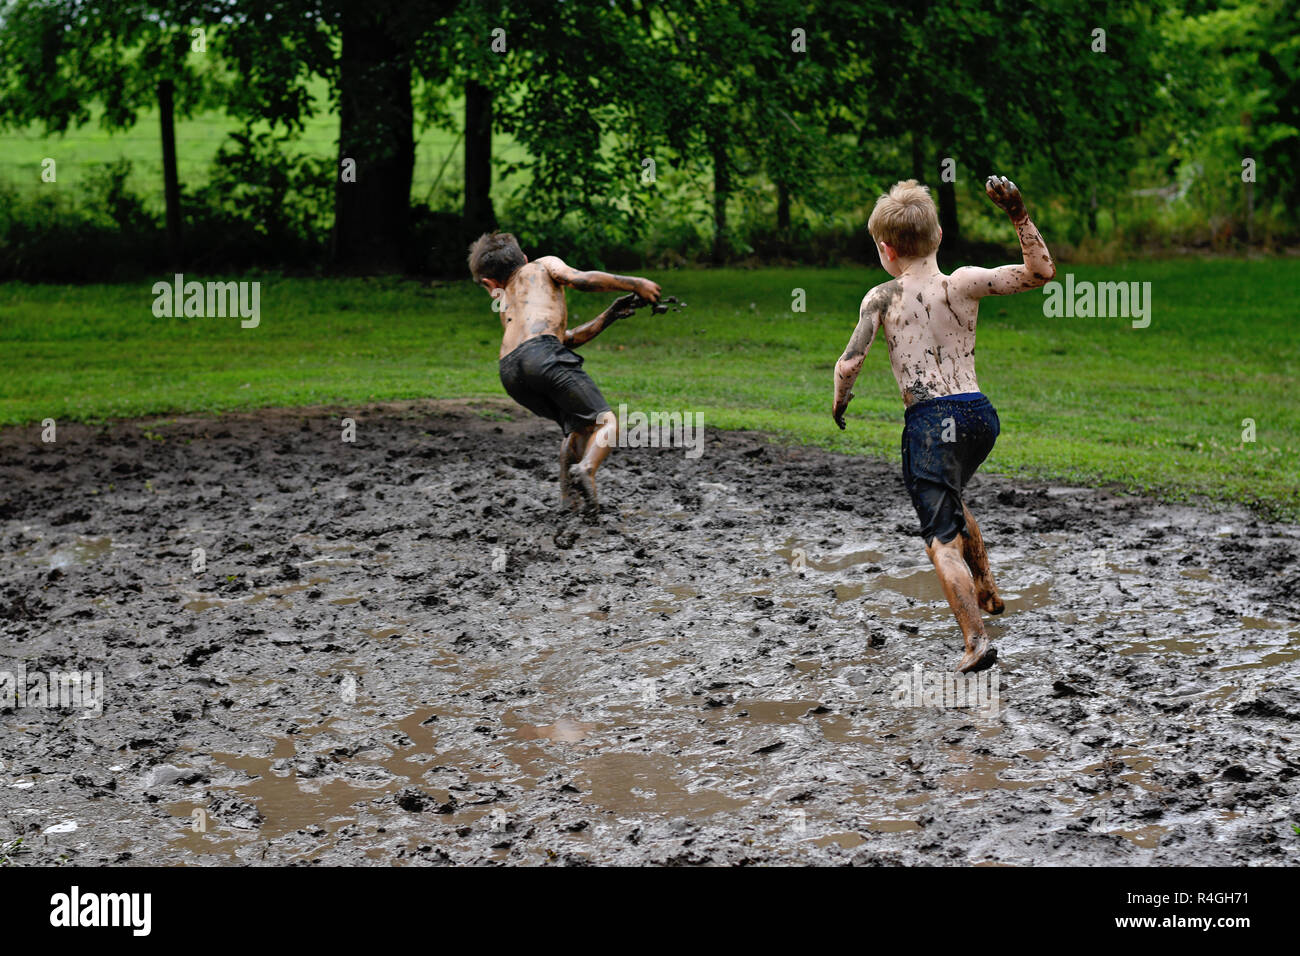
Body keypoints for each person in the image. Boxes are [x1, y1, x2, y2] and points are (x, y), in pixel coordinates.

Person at [832, 176, 1055, 672]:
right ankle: (988, 589)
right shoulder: (965, 281)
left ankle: (975, 641)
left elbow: (848, 365)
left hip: (931, 421)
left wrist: (839, 404)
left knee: (940, 541)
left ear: (885, 249)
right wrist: (1018, 214)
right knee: (954, 498)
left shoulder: (881, 298)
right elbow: (1041, 273)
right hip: (979, 416)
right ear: (937, 238)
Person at [468, 232, 661, 520]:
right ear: (523, 258)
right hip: (541, 356)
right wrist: (636, 283)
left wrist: (608, 316)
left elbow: (562, 340)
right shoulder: (543, 265)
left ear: (489, 283)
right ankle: (586, 469)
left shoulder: (507, 303)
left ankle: (569, 502)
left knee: (576, 426)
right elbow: (579, 280)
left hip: (510, 371)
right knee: (604, 422)